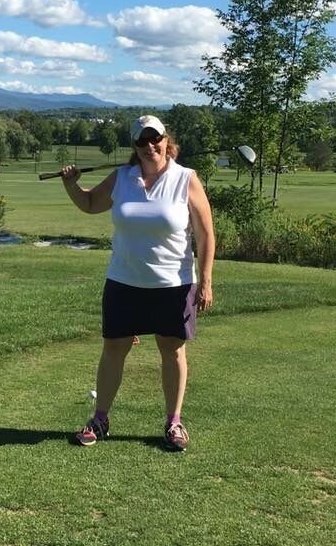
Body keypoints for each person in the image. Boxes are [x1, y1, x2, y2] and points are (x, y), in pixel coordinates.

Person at [60, 115, 215, 451]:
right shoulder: (121, 178)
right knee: (113, 349)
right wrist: (72, 185)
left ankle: (174, 423)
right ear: (134, 146)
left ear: (165, 139)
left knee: (172, 351)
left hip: (173, 284)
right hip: (124, 281)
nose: (149, 146)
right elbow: (89, 204)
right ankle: (100, 420)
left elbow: (205, 234)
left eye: (154, 139)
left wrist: (206, 280)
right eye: (142, 141)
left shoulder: (185, 179)